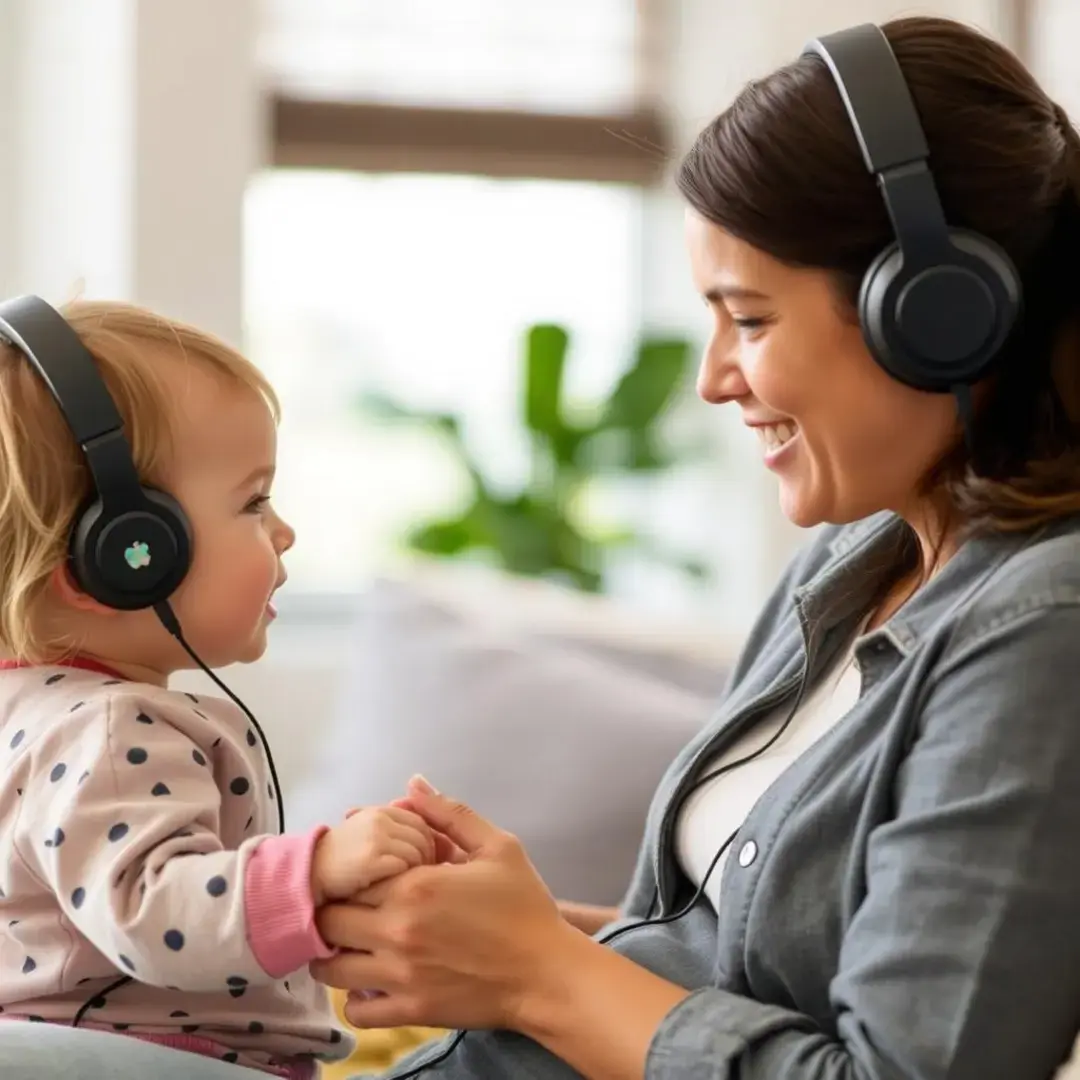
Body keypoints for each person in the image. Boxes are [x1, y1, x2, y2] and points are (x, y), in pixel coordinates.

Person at [4, 12, 1080, 1080]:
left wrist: (536, 974)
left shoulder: (1040, 631)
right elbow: (738, 958)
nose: (713, 378)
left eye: (748, 320)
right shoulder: (852, 572)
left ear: (940, 313)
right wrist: (503, 937)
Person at [0, 300, 443, 1078]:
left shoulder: (31, 713)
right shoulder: (110, 729)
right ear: (129, 554)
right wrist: (313, 868)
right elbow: (154, 914)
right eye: (254, 500)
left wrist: (328, 913)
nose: (283, 532)